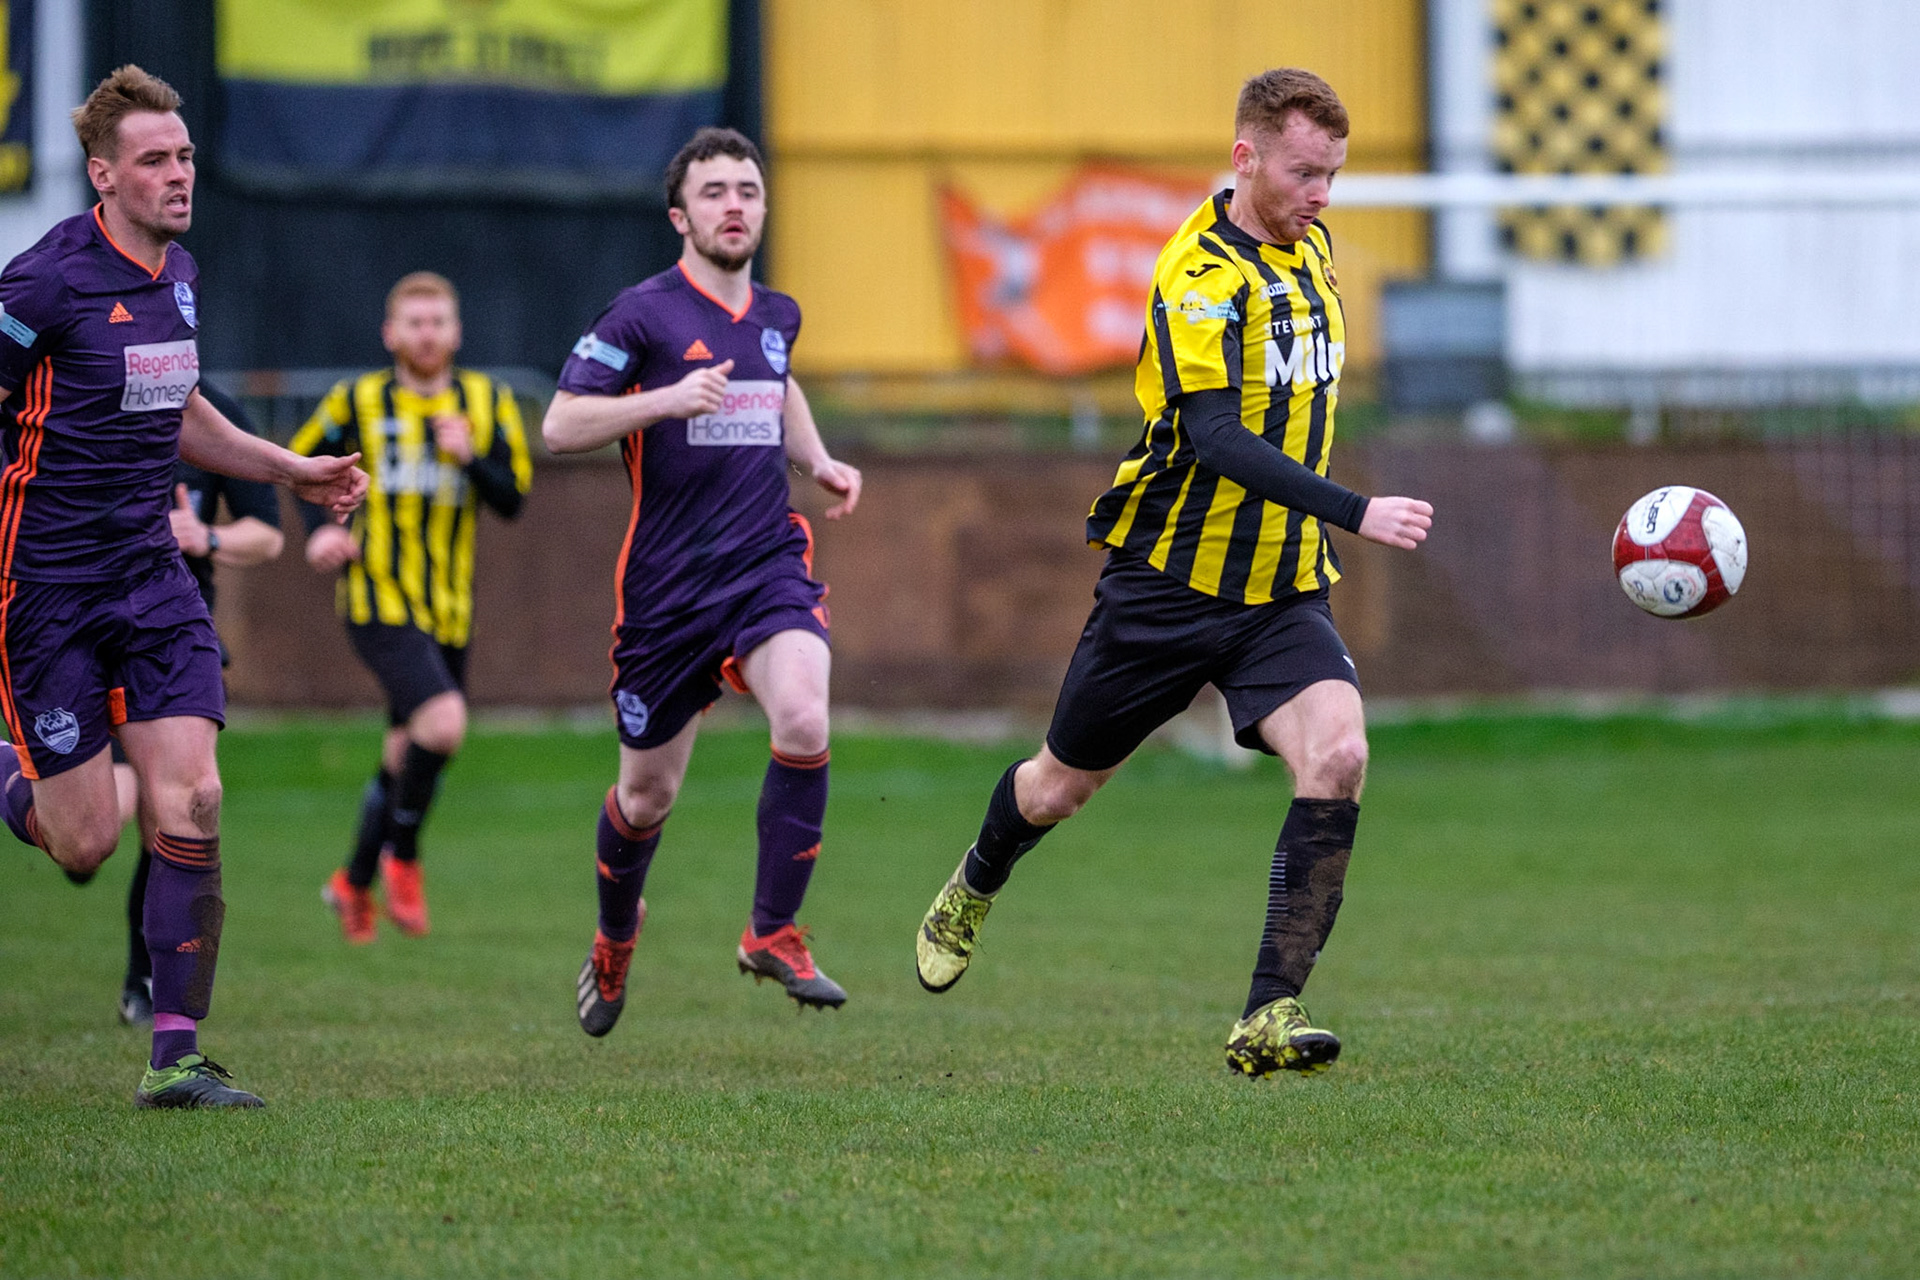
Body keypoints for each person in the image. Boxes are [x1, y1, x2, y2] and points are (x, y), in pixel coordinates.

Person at [911, 68, 1435, 1077]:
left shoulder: (1312, 247)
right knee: (1062, 785)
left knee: (1339, 757)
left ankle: (1268, 1012)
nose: (1323, 193)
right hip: (1167, 586)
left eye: (1333, 172)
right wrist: (1357, 508)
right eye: (1303, 172)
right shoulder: (1198, 274)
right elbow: (1216, 436)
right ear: (1245, 159)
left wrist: (1325, 529)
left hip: (1281, 588)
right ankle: (976, 878)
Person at [0, 66, 366, 1108]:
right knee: (82, 842)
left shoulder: (181, 275)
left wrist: (290, 467)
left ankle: (176, 1052)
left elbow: (180, 403)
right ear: (102, 175)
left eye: (188, 155)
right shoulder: (41, 283)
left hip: (153, 579)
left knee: (195, 794)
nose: (179, 174)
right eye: (156, 159)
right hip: (46, 589)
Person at [543, 126, 863, 1033]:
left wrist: (820, 460)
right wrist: (665, 400)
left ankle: (774, 930)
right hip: (666, 594)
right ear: (680, 216)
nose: (736, 205)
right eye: (716, 191)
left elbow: (779, 379)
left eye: (749, 191)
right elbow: (561, 426)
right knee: (645, 798)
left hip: (766, 566)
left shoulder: (776, 313)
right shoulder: (639, 317)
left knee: (804, 715)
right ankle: (614, 939)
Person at [290, 271, 531, 943]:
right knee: (445, 723)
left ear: (456, 332)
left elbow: (512, 499)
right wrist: (322, 533)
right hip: (377, 596)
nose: (427, 333)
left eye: (439, 321)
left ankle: (352, 880)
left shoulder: (487, 400)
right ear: (390, 334)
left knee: (408, 747)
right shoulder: (357, 400)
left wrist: (471, 457)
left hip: (449, 608)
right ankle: (403, 855)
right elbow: (300, 466)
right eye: (414, 322)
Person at [58, 380, 285, 1029]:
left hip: (174, 637)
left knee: (173, 812)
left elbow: (267, 537)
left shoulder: (209, 413)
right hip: (78, 631)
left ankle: (154, 993)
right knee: (88, 836)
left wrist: (203, 537)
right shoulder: (67, 400)